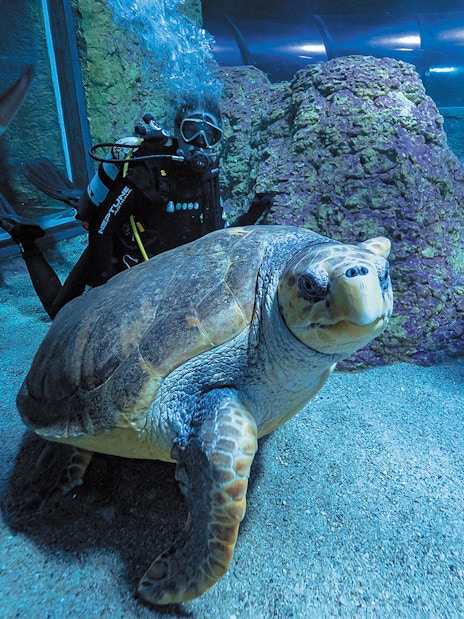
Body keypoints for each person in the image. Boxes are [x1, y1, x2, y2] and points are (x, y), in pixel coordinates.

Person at [0, 94, 271, 319]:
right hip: (121, 258)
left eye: (210, 134)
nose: (200, 142)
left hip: (164, 276)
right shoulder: (147, 170)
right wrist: (105, 286)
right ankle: (25, 240)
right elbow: (103, 228)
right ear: (177, 130)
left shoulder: (207, 180)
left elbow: (220, 239)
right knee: (59, 313)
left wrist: (252, 213)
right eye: (191, 130)